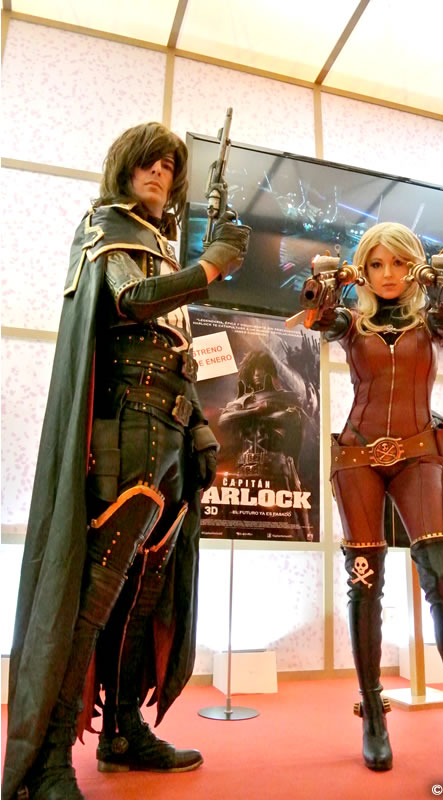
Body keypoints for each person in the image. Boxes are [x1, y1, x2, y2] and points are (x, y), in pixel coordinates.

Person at [2, 122, 250, 800]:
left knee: (143, 595)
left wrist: (198, 426)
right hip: (128, 429)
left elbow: (174, 349)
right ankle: (50, 761)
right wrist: (211, 267)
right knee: (93, 598)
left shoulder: (160, 249)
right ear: (125, 168)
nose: (161, 172)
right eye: (149, 162)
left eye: (170, 165)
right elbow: (129, 302)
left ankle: (122, 732)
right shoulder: (107, 226)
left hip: (166, 431)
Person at [315, 222, 443, 793]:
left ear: (413, 265)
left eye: (398, 262)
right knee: (363, 581)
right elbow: (321, 317)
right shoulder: (352, 322)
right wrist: (329, 281)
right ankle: (372, 710)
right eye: (375, 264)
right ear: (363, 270)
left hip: (420, 453)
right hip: (357, 457)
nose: (387, 274)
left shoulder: (431, 319)